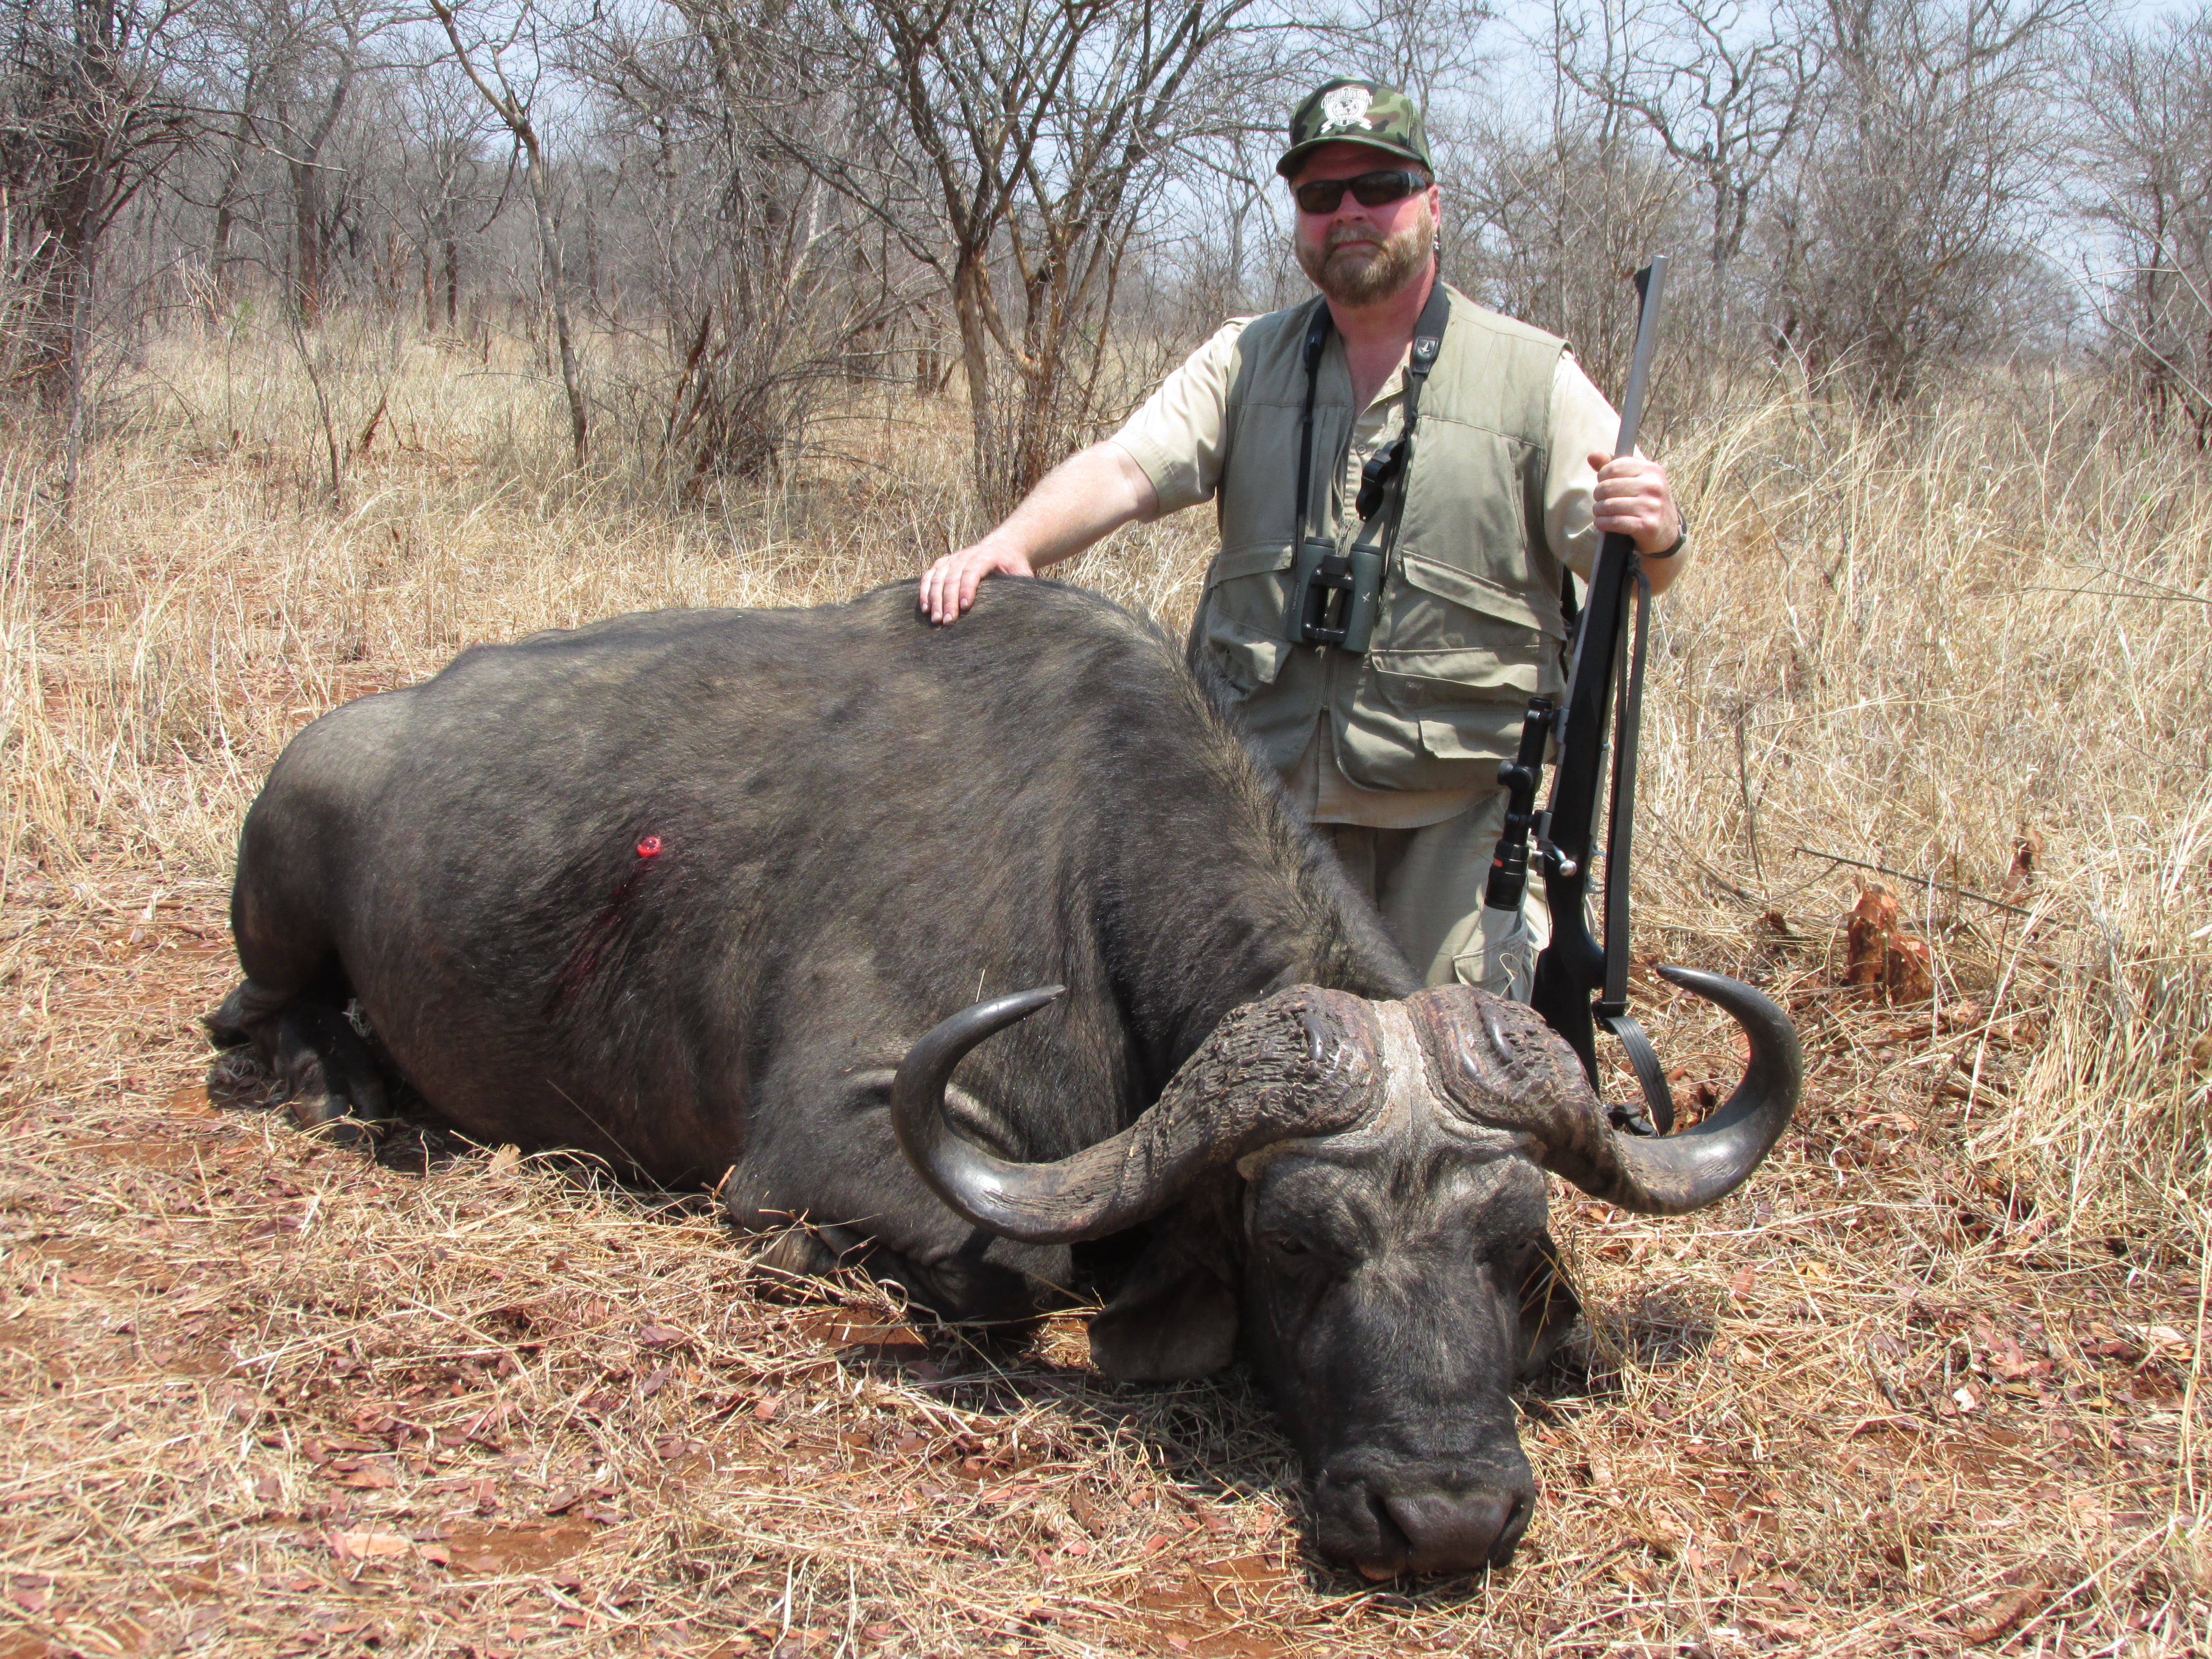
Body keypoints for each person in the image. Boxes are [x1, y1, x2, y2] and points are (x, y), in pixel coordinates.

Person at [918, 77, 1688, 998]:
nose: (1349, 213)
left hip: (1453, 832)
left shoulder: (1534, 379)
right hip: (1266, 819)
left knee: (1468, 1083)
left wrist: (1659, 526)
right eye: (1321, 196)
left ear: (1431, 203)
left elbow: (1627, 562)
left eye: (1379, 187)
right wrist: (1015, 544)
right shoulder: (1246, 358)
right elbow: (1126, 468)